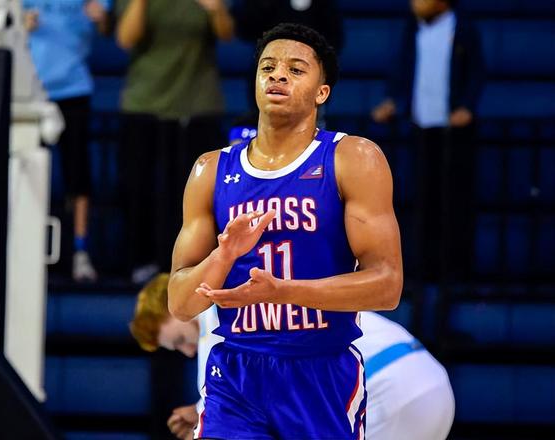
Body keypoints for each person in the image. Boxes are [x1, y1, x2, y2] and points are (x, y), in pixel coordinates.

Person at [167, 23, 403, 439]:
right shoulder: (211, 170)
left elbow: (387, 286)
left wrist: (283, 291)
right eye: (268, 67)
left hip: (320, 372)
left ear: (322, 92)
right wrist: (224, 255)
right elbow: (180, 304)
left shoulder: (353, 158)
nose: (278, 75)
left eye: (295, 69)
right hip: (236, 374)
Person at [131, 275, 453, 440]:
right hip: (430, 379)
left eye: (179, 340)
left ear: (178, 307)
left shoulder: (217, 315)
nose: (188, 352)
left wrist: (201, 414)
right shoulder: (245, 297)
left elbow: (224, 411)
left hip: (387, 389)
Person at [114, 0, 233, 283]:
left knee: (194, 196)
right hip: (145, 103)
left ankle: (192, 267)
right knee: (138, 188)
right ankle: (141, 262)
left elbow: (227, 34)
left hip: (197, 105)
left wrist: (216, 9)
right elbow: (126, 38)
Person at [371, 0, 484, 282]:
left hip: (453, 133)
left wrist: (466, 106)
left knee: (453, 202)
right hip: (418, 128)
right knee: (419, 201)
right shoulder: (412, 28)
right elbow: (401, 68)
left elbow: (476, 71)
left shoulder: (463, 27)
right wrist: (394, 101)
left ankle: (455, 272)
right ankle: (420, 269)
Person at [23, 0, 110, 282]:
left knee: (78, 174)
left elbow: (106, 27)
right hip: (31, 89)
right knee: (25, 171)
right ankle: (24, 248)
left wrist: (101, 19)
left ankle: (80, 251)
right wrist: (21, 25)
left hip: (74, 88)